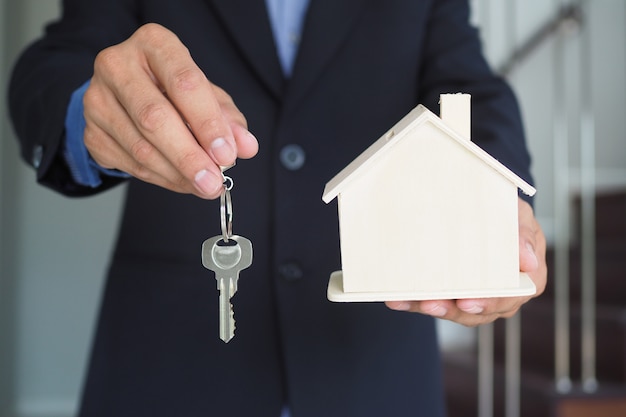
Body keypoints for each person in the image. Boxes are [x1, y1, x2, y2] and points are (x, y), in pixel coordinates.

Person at [8, 0, 547, 416]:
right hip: (172, 365)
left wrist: (496, 202)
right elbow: (58, 63)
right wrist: (91, 113)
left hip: (375, 369)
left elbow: (468, 86)